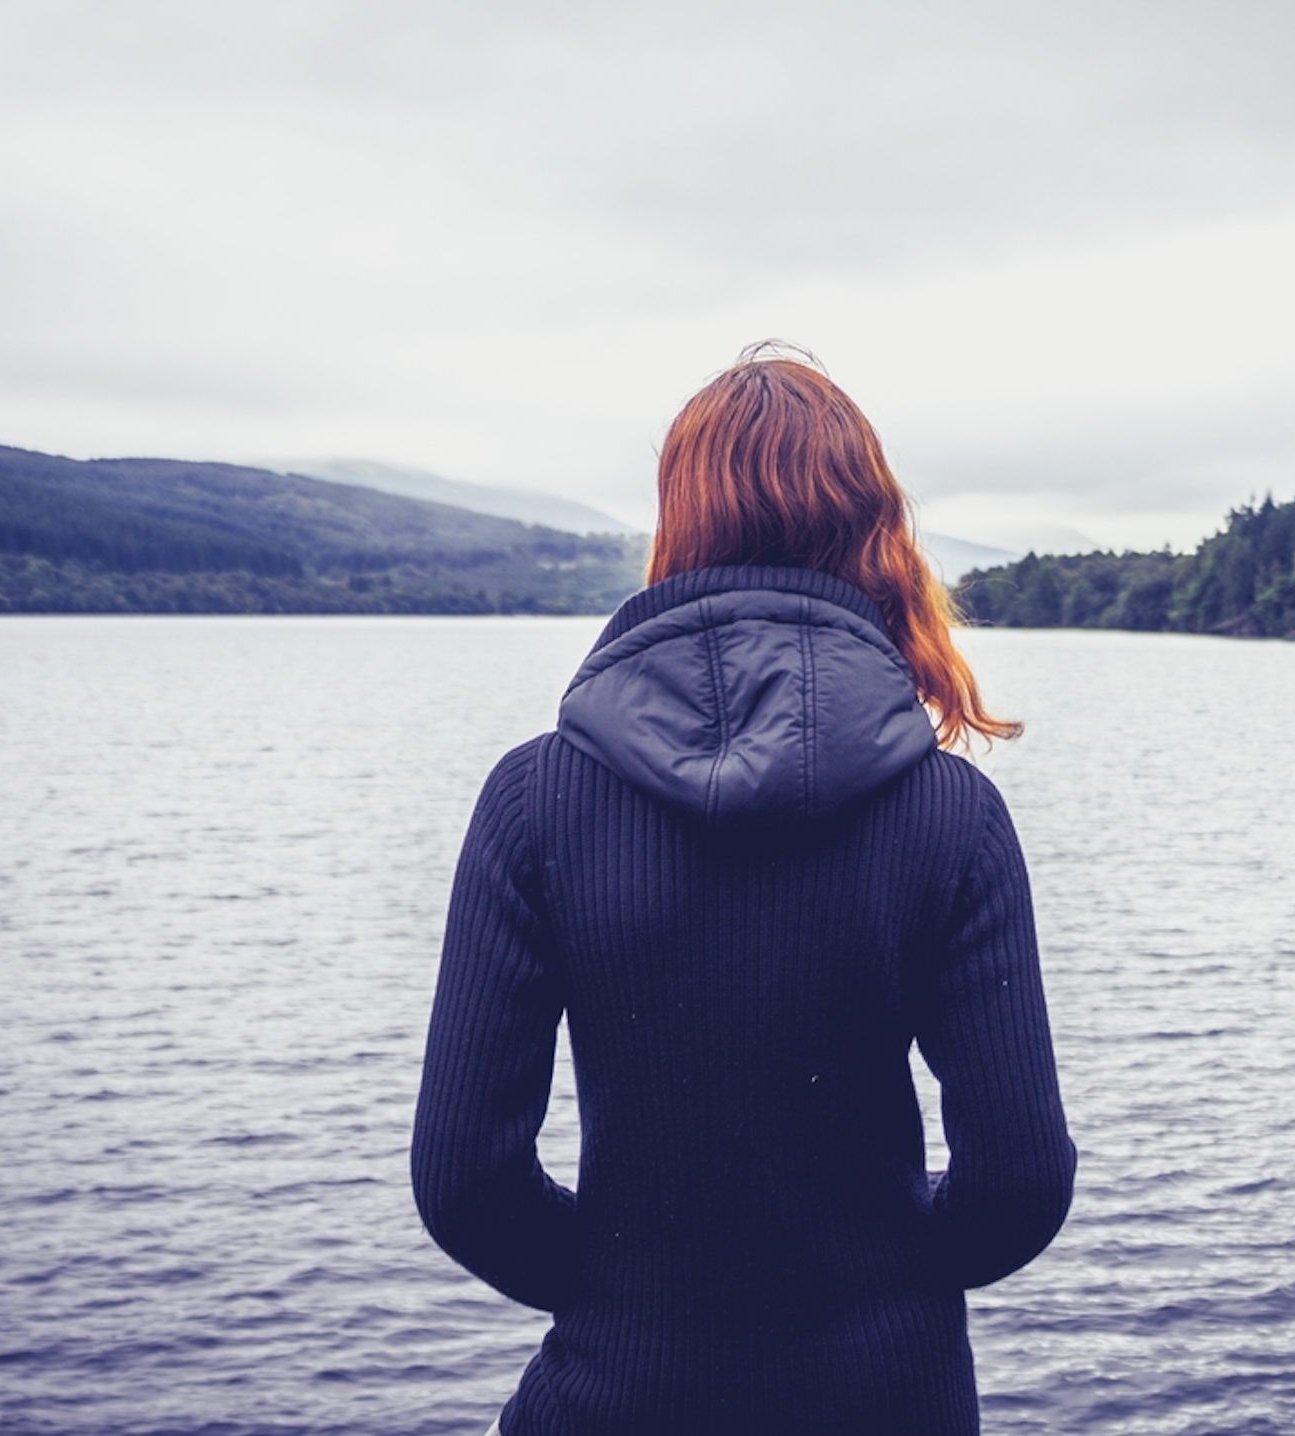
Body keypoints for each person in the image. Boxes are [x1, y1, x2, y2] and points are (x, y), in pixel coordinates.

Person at [410, 346, 1077, 1436]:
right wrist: (886, 1281)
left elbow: (462, 1177)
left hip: (618, 1395)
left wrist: (626, 1291)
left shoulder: (533, 801)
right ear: (872, 533)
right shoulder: (955, 816)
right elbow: (1020, 1181)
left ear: (678, 526)